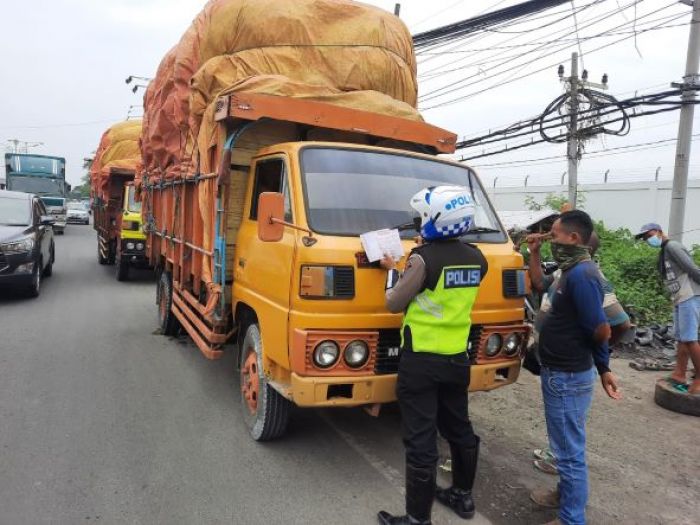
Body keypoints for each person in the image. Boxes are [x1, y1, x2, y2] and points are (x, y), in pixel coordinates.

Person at [377, 185, 488, 525]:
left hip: (422, 361)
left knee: (421, 438)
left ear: (435, 219)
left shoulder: (422, 259)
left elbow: (395, 301)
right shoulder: (477, 258)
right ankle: (463, 497)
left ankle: (417, 519)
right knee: (459, 427)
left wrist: (392, 269)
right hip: (458, 357)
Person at [527, 210, 621, 525]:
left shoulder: (585, 276)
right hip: (559, 374)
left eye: (553, 236)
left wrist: (603, 363)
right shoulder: (568, 271)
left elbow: (603, 329)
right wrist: (535, 253)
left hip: (567, 377)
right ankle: (564, 498)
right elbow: (539, 282)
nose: (550, 240)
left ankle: (571, 519)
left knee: (569, 455)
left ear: (573, 238)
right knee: (564, 448)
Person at [635, 222, 700, 394]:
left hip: (690, 294)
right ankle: (679, 373)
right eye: (645, 238)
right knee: (681, 337)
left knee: (690, 339)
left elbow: (691, 268)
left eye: (649, 235)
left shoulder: (673, 246)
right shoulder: (665, 250)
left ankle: (699, 379)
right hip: (680, 297)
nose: (648, 239)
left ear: (660, 232)